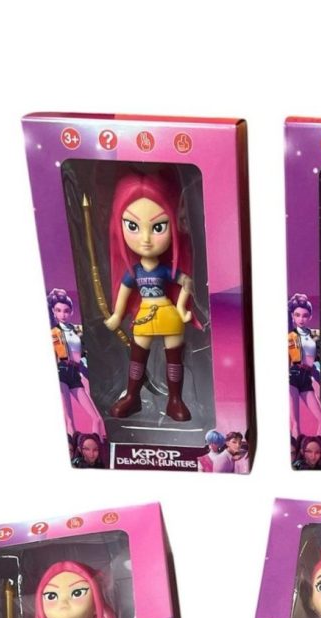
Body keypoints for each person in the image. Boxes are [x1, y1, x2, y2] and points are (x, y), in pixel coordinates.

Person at [103, 172, 195, 421]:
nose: (145, 239)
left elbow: (186, 282)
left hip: (167, 313)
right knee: (137, 358)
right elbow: (124, 291)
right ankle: (132, 396)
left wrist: (182, 307)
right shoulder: (134, 272)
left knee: (173, 358)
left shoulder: (165, 270)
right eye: (133, 226)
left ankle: (175, 400)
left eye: (158, 227)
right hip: (145, 315)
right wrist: (117, 315)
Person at [48, 288, 105, 439]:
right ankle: (73, 450)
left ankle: (96, 447)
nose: (62, 314)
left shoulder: (78, 330)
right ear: (53, 312)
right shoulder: (53, 332)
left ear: (71, 311)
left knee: (97, 419)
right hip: (61, 372)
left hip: (75, 374)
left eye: (66, 311)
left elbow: (87, 352)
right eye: (58, 310)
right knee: (68, 421)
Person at [288, 294, 321, 442]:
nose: (301, 319)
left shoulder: (315, 334)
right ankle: (294, 452)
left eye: (305, 315)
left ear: (310, 316)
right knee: (295, 424)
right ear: (292, 316)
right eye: (297, 315)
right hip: (292, 376)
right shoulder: (289, 336)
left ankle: (318, 450)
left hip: (307, 377)